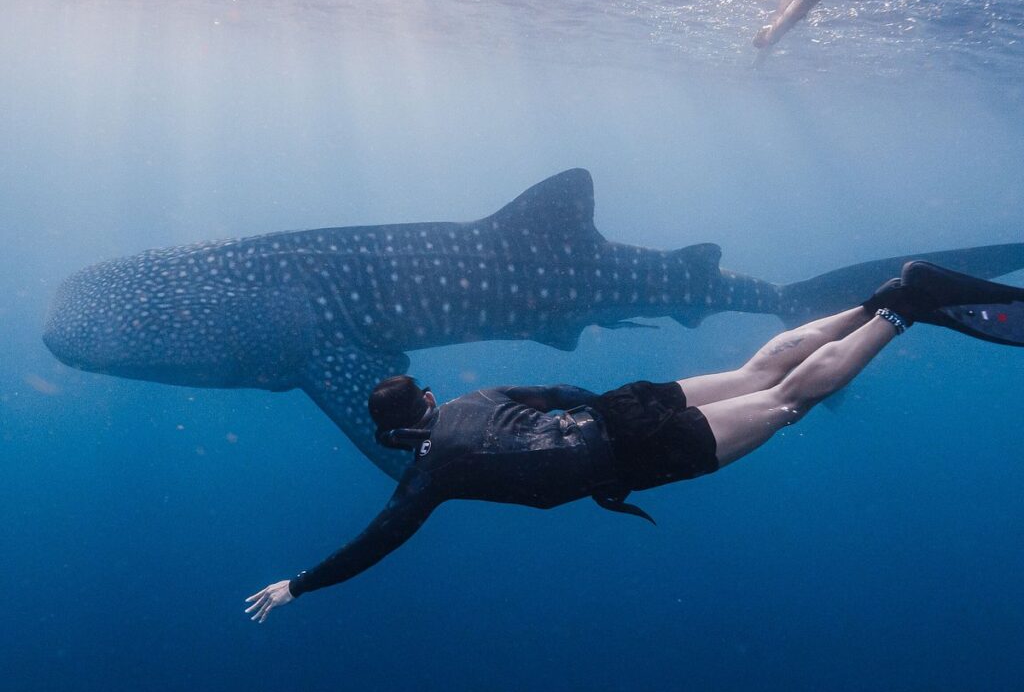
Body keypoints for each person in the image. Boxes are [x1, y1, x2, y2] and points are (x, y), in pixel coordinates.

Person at [246, 261, 1024, 622]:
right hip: (624, 408)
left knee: (786, 401)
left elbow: (377, 542)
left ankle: (906, 309)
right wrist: (618, 416)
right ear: (426, 395)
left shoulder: (431, 475)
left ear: (393, 432)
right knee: (758, 367)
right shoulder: (477, 397)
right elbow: (558, 395)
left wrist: (300, 584)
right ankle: (880, 298)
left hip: (633, 453)